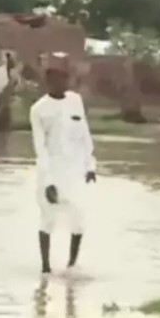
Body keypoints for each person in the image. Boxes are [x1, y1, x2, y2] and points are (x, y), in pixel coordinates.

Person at [30, 52, 96, 275]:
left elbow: (85, 136)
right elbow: (41, 148)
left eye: (66, 77)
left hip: (75, 172)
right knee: (48, 220)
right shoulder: (38, 109)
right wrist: (48, 181)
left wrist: (90, 167)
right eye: (59, 77)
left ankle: (71, 266)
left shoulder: (75, 101)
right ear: (49, 79)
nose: (64, 81)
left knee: (78, 220)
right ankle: (45, 269)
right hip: (51, 172)